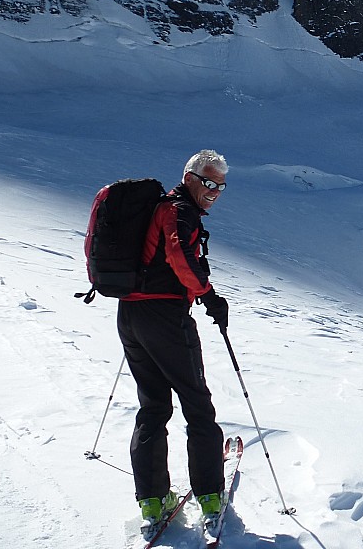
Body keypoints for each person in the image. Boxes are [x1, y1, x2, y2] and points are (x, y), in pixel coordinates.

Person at [117, 149, 231, 538]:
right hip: (165, 318)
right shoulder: (178, 212)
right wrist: (208, 293)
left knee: (153, 406)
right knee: (197, 405)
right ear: (190, 177)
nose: (214, 191)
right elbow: (179, 254)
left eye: (221, 185)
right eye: (209, 182)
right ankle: (211, 498)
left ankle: (152, 500)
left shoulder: (159, 207)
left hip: (131, 316)